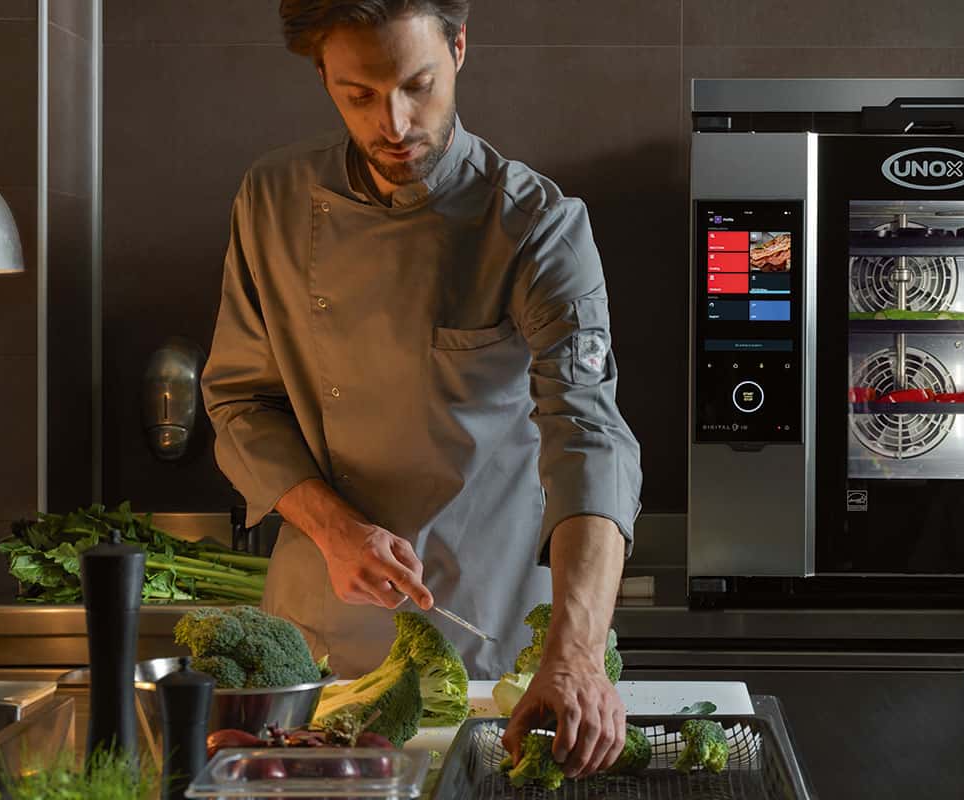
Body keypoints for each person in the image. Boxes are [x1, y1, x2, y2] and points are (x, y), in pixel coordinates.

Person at [200, 0, 643, 777]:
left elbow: (588, 431)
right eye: (360, 96)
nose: (395, 123)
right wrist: (337, 532)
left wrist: (576, 655)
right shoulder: (270, 199)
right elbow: (239, 400)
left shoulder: (535, 224)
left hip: (486, 643)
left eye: (418, 85)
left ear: (460, 49)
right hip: (317, 643)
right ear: (323, 76)